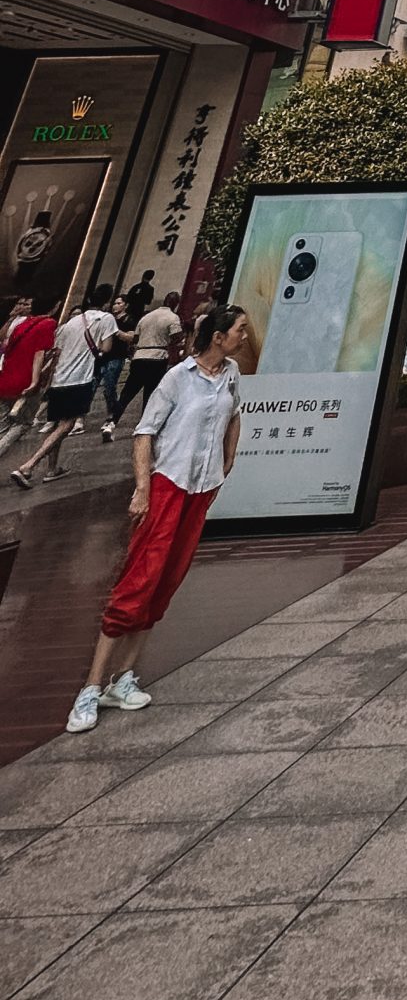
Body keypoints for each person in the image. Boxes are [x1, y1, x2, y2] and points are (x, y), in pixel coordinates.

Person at [66, 302, 250, 733]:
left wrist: (229, 458)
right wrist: (143, 489)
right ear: (218, 337)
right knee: (139, 579)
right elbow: (144, 433)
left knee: (167, 579)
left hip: (201, 489)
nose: (246, 336)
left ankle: (124, 678)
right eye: (240, 329)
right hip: (168, 487)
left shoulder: (232, 375)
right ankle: (90, 687)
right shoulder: (176, 378)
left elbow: (235, 414)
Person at [11, 286, 123, 484]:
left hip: (59, 379)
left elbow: (56, 351)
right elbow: (106, 348)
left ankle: (52, 469)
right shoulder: (106, 319)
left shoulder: (70, 323)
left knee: (57, 424)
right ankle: (29, 465)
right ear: (107, 302)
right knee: (67, 425)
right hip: (79, 378)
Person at [113, 294, 185, 424]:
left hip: (139, 356)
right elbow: (177, 336)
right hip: (157, 358)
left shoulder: (146, 317)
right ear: (176, 304)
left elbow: (135, 338)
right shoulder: (173, 317)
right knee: (150, 393)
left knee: (127, 392)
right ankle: (144, 423)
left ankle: (111, 422)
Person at [0, 298, 55, 458]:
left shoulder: (19, 325)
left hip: (7, 377)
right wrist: (35, 380)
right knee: (23, 424)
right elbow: (40, 353)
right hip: (25, 380)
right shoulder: (48, 324)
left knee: (4, 424)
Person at [94, 297, 133, 440]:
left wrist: (116, 331)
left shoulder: (128, 320)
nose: (115, 306)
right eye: (114, 303)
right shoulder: (106, 318)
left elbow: (131, 337)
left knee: (109, 387)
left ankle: (112, 413)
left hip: (116, 356)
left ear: (125, 305)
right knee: (93, 385)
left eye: (119, 303)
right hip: (101, 356)